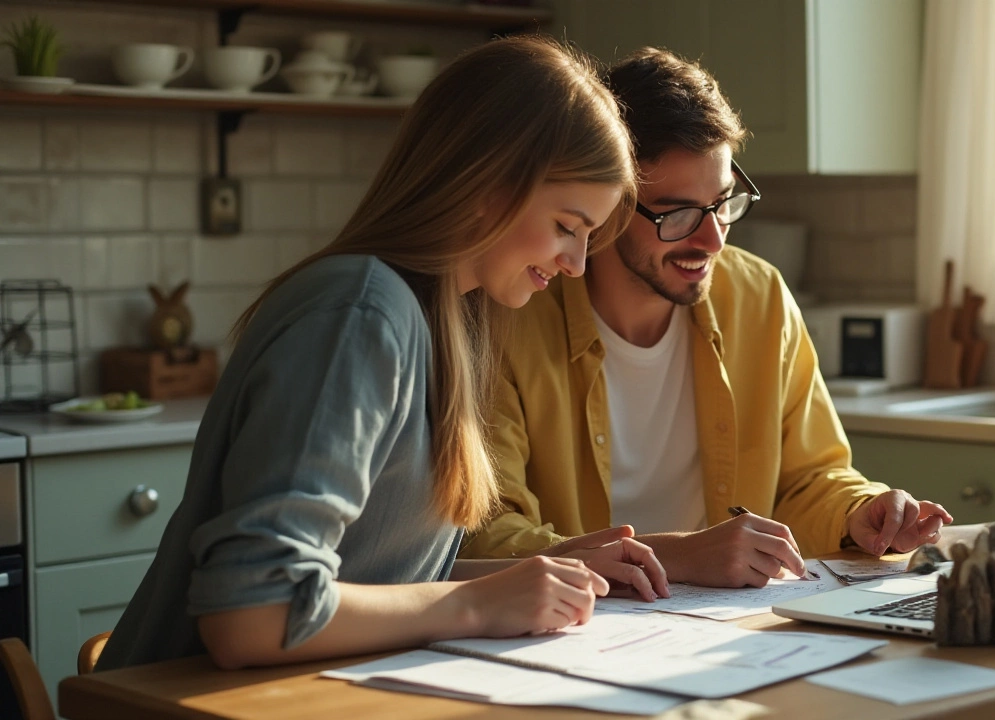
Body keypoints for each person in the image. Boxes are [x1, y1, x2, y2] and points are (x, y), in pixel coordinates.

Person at [96, 36, 670, 673]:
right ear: (486, 183)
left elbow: (374, 574)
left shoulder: (439, 318)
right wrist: (478, 603)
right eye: (567, 226)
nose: (575, 264)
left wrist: (540, 570)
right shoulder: (359, 314)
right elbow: (252, 614)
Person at [463, 47, 953, 588]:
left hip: (724, 626)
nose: (713, 238)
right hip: (576, 623)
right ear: (607, 204)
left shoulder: (759, 296)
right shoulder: (512, 315)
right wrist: (675, 555)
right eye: (677, 214)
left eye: (722, 202)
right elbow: (487, 529)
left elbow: (810, 479)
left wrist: (859, 514)